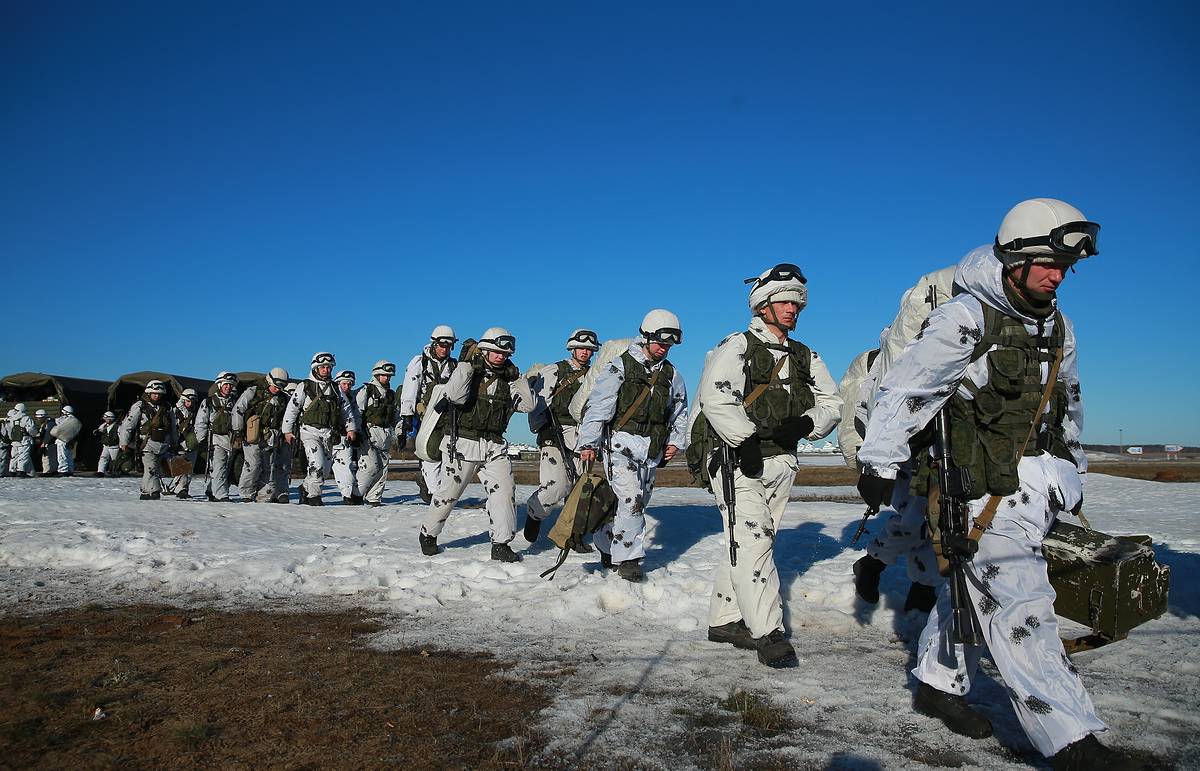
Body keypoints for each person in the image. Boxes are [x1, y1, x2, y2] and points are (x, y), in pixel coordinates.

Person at [856, 199, 1132, 768]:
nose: (1058, 276)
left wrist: (1073, 470)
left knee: (973, 597)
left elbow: (1067, 404)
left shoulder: (1058, 324)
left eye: (1065, 266)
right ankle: (1073, 741)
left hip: (1038, 487)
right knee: (1021, 609)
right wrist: (879, 462)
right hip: (981, 493)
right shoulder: (965, 318)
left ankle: (937, 680)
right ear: (1015, 259)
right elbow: (909, 391)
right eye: (1048, 263)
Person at [696, 264, 842, 667]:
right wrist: (743, 441)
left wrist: (808, 422)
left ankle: (724, 620)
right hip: (735, 460)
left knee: (748, 543)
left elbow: (833, 402)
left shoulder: (805, 355)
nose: (792, 308)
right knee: (755, 540)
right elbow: (715, 396)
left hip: (782, 460)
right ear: (762, 305)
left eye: (797, 302)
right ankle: (768, 632)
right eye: (783, 300)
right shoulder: (738, 345)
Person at [851, 266, 956, 614]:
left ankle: (923, 593)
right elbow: (871, 407)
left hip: (947, 448)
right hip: (908, 451)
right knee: (912, 522)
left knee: (939, 520)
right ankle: (872, 564)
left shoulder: (959, 345)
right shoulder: (890, 359)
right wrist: (878, 462)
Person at [577, 310, 689, 582]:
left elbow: (679, 411)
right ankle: (629, 560)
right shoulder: (621, 366)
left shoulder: (672, 375)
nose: (664, 348)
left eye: (669, 345)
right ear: (646, 336)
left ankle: (606, 541)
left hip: (651, 451)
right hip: (619, 445)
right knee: (632, 502)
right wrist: (588, 443)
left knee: (637, 505)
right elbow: (599, 406)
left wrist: (675, 441)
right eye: (661, 342)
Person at [419, 328, 534, 562]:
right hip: (462, 443)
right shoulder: (468, 371)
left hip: (494, 445)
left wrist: (518, 377)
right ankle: (428, 533)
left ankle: (501, 543)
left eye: (505, 353)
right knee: (449, 494)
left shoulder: (508, 379)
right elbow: (455, 396)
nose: (501, 356)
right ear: (485, 350)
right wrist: (467, 365)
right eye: (496, 351)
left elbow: (528, 406)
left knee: (504, 492)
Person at [523, 328, 600, 543]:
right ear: (573, 348)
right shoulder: (555, 370)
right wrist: (543, 430)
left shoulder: (596, 375)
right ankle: (534, 513)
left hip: (584, 437)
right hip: (555, 432)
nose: (585, 352)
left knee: (578, 490)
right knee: (556, 486)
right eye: (582, 348)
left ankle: (570, 536)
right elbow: (536, 404)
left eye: (589, 349)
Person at [283, 352, 357, 506]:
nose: (326, 370)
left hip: (329, 433)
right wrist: (287, 430)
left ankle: (304, 488)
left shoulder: (336, 388)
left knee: (323, 470)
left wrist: (351, 429)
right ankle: (314, 497)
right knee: (316, 464)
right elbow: (293, 409)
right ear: (315, 368)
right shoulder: (304, 386)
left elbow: (346, 409)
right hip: (309, 432)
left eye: (329, 367)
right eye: (323, 367)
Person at [400, 325, 459, 503]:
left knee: (447, 454)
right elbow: (410, 387)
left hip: (448, 415)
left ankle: (431, 486)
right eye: (442, 344)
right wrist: (407, 416)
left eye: (449, 346)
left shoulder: (454, 365)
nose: (445, 349)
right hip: (426, 414)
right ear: (434, 343)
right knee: (430, 452)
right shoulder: (420, 362)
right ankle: (435, 493)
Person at [233, 368, 291, 503]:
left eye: (281, 387)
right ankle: (246, 494)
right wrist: (238, 430)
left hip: (271, 436)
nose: (278, 389)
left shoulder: (283, 398)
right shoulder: (253, 392)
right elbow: (238, 409)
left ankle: (264, 495)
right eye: (276, 386)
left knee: (268, 466)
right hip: (252, 435)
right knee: (252, 465)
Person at [119, 380, 178, 500]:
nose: (156, 395)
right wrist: (124, 442)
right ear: (149, 393)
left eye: (159, 393)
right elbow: (128, 425)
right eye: (154, 393)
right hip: (147, 443)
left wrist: (174, 441)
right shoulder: (140, 406)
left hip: (164, 444)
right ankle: (154, 491)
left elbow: (173, 427)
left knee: (152, 469)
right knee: (151, 468)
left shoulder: (167, 407)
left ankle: (145, 492)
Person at [355, 360, 401, 507]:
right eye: (384, 375)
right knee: (370, 467)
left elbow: (396, 417)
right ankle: (356, 495)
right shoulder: (366, 391)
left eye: (389, 376)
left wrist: (400, 434)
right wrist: (357, 432)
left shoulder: (391, 395)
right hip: (368, 432)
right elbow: (357, 413)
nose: (387, 378)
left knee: (382, 468)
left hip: (386, 434)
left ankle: (374, 498)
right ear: (376, 374)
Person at [196, 372, 240, 502]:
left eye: (230, 385)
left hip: (230, 441)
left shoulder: (234, 402)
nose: (228, 387)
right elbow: (201, 422)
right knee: (219, 466)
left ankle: (211, 490)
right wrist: (201, 440)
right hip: (215, 440)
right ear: (220, 384)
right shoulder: (209, 402)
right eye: (226, 384)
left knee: (224, 468)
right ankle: (221, 495)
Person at [330, 370, 363, 504]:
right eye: (344, 384)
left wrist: (356, 432)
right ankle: (309, 491)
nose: (347, 387)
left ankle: (347, 495)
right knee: (321, 468)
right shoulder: (331, 396)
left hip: (345, 438)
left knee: (346, 467)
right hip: (326, 436)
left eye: (349, 384)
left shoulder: (353, 399)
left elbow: (356, 417)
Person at [169, 389, 200, 498]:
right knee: (181, 468)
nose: (190, 403)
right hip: (179, 443)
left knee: (189, 469)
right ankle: (180, 489)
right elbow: (172, 428)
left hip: (192, 443)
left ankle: (184, 488)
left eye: (192, 401)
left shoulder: (196, 413)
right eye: (187, 401)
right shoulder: (174, 412)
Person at [50, 405, 82, 476]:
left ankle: (63, 470)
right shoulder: (75, 420)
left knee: (62, 456)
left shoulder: (66, 420)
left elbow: (57, 425)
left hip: (62, 440)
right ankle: (70, 470)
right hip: (70, 441)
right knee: (69, 456)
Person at [7, 404, 37, 478]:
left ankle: (12, 470)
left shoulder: (12, 419)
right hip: (24, 440)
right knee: (23, 455)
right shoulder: (26, 418)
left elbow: (9, 430)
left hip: (15, 440)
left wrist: (12, 438)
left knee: (14, 456)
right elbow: (32, 430)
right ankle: (21, 470)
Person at [94, 410, 121, 477]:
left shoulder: (118, 426)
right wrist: (97, 432)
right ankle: (100, 471)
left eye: (106, 418)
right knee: (103, 458)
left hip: (114, 446)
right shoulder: (104, 425)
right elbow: (99, 430)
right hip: (106, 445)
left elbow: (120, 436)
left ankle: (115, 472)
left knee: (115, 460)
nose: (105, 419)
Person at [33, 408, 56, 475]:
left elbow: (48, 434)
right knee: (51, 457)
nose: (38, 419)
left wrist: (44, 443)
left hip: (48, 443)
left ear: (42, 417)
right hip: (49, 443)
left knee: (46, 458)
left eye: (39, 418)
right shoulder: (48, 423)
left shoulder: (48, 424)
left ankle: (47, 471)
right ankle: (52, 470)